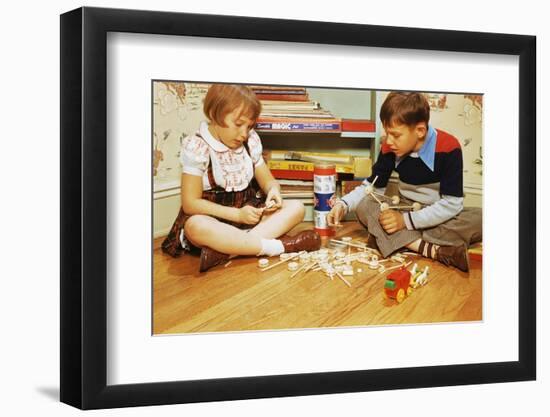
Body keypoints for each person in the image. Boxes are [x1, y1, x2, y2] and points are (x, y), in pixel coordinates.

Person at [162, 84, 321, 272]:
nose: (244, 134)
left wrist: (273, 191)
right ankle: (279, 247)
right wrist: (237, 215)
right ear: (214, 114)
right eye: (238, 124)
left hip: (249, 221)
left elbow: (268, 180)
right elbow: (190, 203)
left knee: (296, 208)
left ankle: (228, 251)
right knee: (195, 226)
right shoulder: (198, 146)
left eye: (249, 126)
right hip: (215, 222)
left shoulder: (250, 141)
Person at [327, 92, 482, 272]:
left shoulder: (449, 147)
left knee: (482, 218)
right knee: (365, 206)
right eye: (387, 133)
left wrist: (406, 222)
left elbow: (451, 204)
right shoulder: (389, 147)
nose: (389, 141)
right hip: (404, 208)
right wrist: (343, 204)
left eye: (395, 135)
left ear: (420, 131)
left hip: (437, 214)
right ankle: (432, 249)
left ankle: (392, 238)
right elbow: (371, 189)